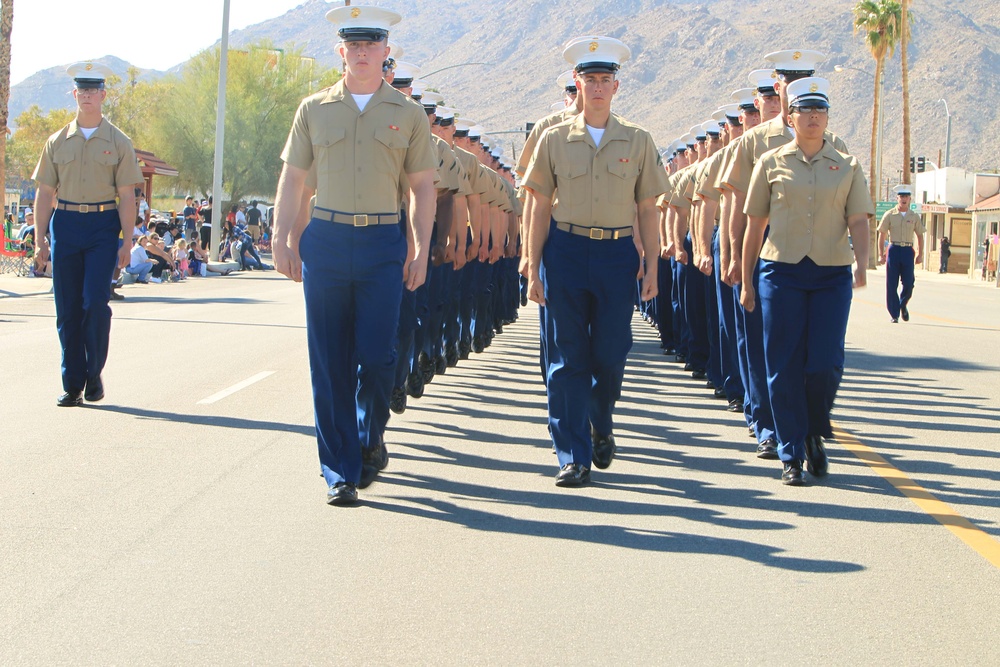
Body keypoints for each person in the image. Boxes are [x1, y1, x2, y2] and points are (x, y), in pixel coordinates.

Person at [272, 5, 437, 506]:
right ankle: (339, 469)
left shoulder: (407, 115)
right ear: (341, 51)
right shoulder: (314, 109)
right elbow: (294, 179)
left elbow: (423, 188)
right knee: (328, 360)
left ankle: (370, 436)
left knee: (377, 355)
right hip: (327, 239)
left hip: (382, 246)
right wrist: (282, 236)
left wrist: (421, 247)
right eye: (354, 45)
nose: (363, 53)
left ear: (386, 53)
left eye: (372, 45)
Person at [523, 35, 668, 487]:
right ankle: (572, 453)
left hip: (615, 253)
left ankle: (600, 419)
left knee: (610, 355)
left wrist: (653, 267)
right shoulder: (553, 138)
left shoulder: (638, 140)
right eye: (591, 79)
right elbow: (539, 204)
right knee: (567, 357)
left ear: (617, 87)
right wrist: (532, 264)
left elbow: (648, 209)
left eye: (606, 80)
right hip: (565, 252)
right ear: (577, 83)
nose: (599, 87)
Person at [739, 77, 874, 485]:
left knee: (825, 363)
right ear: (791, 117)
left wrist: (862, 264)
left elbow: (858, 219)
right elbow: (755, 224)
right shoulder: (771, 162)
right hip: (781, 272)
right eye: (805, 111)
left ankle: (815, 429)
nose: (813, 118)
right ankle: (790, 451)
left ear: (828, 117)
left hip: (831, 273)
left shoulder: (847, 165)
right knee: (782, 364)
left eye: (820, 111)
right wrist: (746, 279)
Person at [31, 62, 144, 407]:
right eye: (82, 91)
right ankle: (74, 383)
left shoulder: (118, 141)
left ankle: (94, 372)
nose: (88, 96)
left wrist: (127, 241)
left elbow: (127, 194)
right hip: (64, 224)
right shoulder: (57, 141)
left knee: (95, 303)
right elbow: (44, 192)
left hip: (101, 225)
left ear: (103, 96)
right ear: (74, 95)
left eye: (94, 91)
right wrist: (39, 240)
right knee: (67, 309)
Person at [877, 186, 924, 322]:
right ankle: (894, 314)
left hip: (908, 251)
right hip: (894, 249)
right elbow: (882, 234)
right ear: (897, 198)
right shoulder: (890, 215)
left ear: (910, 199)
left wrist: (920, 254)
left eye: (906, 197)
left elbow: (920, 235)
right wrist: (881, 254)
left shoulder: (914, 216)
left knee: (909, 283)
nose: (904, 199)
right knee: (892, 283)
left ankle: (902, 305)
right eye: (901, 197)